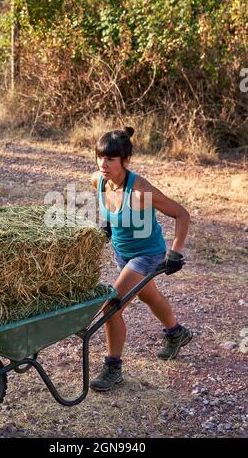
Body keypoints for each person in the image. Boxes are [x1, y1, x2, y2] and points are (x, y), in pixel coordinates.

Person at [89, 126, 192, 392]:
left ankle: (113, 368)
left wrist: (176, 252)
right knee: (149, 296)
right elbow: (110, 212)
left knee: (111, 306)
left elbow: (182, 214)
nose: (103, 164)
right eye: (100, 157)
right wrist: (107, 225)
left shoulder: (140, 190)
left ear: (125, 161)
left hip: (147, 255)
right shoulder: (98, 181)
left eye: (110, 159)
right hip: (122, 254)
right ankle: (176, 333)